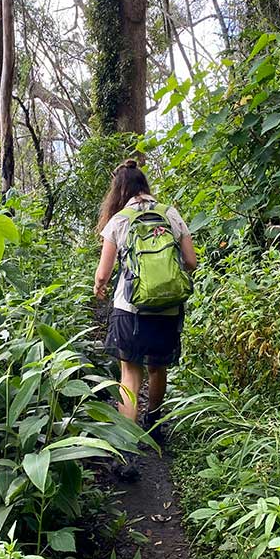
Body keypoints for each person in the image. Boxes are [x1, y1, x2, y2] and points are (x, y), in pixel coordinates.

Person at [93, 159, 197, 437]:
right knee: (157, 368)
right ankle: (153, 425)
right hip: (168, 307)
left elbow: (104, 272)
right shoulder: (170, 213)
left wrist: (99, 286)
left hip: (131, 309)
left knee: (130, 374)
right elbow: (191, 261)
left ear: (118, 191)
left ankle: (126, 441)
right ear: (144, 185)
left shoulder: (120, 220)